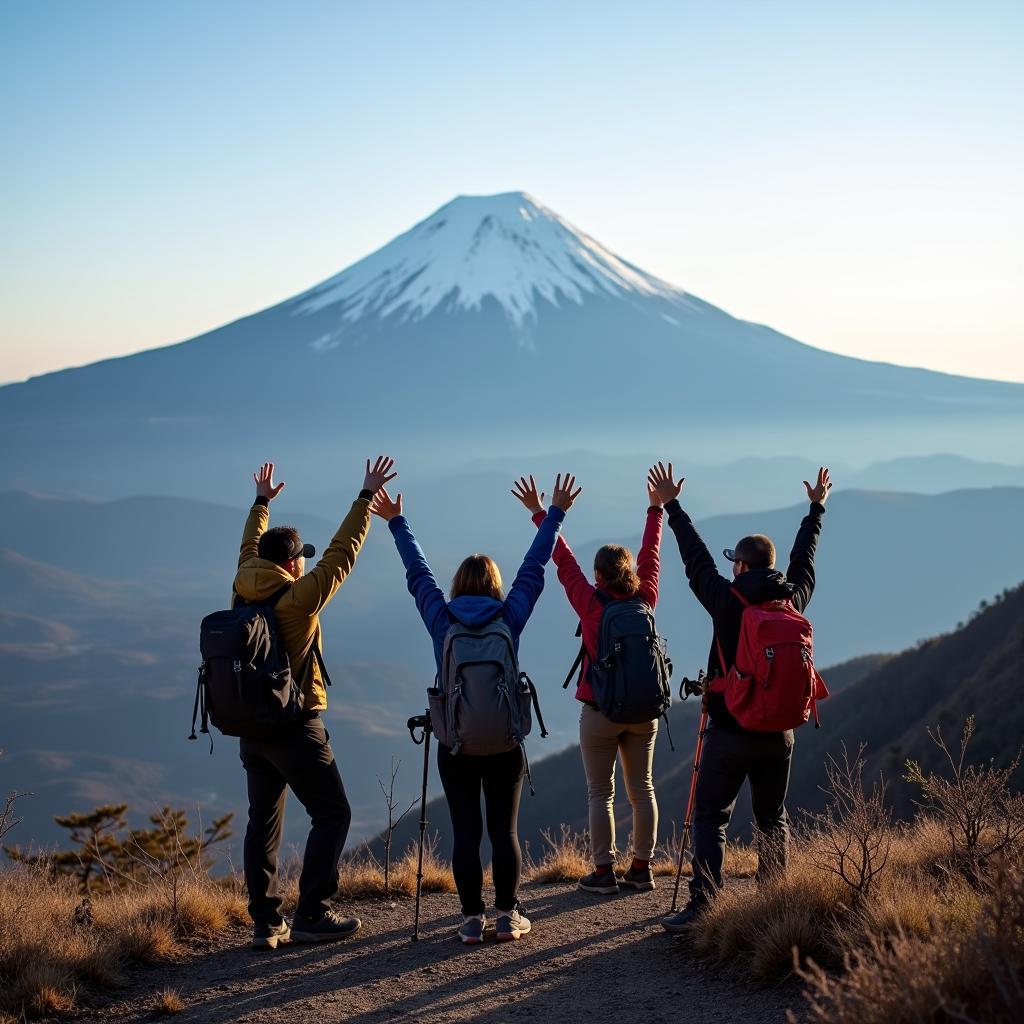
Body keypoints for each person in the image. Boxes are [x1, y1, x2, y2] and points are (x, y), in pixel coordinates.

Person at [370, 474, 578, 943]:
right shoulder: (509, 616)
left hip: (455, 743)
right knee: (503, 831)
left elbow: (417, 574)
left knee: (466, 832)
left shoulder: (441, 620)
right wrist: (554, 512)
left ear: (458, 586)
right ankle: (507, 917)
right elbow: (534, 566)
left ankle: (469, 921)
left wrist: (397, 522)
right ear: (495, 587)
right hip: (504, 741)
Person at [651, 462, 832, 931]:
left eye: (736, 562)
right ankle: (775, 905)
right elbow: (804, 561)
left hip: (731, 729)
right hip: (780, 732)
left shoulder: (726, 599)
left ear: (742, 566)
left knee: (712, 817)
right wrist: (816, 509)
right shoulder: (792, 599)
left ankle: (704, 907)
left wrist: (673, 506)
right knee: (773, 818)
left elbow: (695, 560)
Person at [235, 457, 397, 949]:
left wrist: (261, 502)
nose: (304, 563)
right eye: (298, 559)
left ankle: (266, 922)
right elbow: (340, 556)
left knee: (262, 820)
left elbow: (248, 545)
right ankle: (312, 913)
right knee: (333, 812)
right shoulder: (297, 599)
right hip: (294, 723)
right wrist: (365, 498)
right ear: (290, 565)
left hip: (251, 727)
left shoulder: (243, 580)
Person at [514, 472, 664, 895]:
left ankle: (603, 872)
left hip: (599, 710)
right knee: (643, 789)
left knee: (601, 792)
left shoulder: (589, 600)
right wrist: (656, 508)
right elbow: (651, 553)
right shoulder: (645, 597)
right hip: (644, 710)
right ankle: (642, 868)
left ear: (598, 575)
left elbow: (562, 560)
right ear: (630, 573)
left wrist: (541, 512)